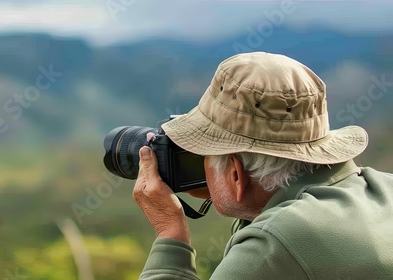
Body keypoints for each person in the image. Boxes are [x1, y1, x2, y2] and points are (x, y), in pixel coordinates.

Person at [132, 52, 393, 279]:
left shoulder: (275, 243)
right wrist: (235, 194)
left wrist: (170, 231)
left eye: (206, 158)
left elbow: (279, 237)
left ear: (236, 174)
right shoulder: (385, 187)